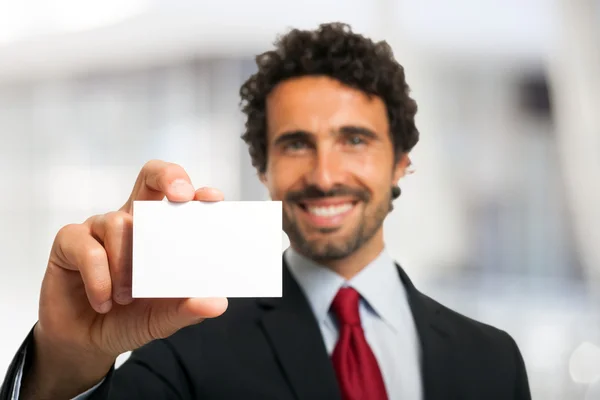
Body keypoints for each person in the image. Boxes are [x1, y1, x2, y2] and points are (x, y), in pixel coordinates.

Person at [1, 22, 531, 400]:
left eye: (354, 140)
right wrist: (67, 361)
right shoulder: (184, 343)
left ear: (400, 164)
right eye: (297, 144)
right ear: (263, 169)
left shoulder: (492, 360)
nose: (324, 175)